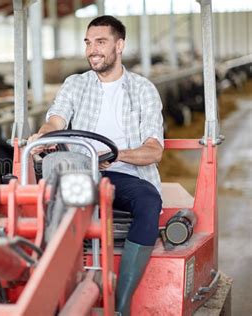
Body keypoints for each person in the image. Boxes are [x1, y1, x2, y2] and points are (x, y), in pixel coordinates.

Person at [28, 15, 163, 315]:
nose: (92, 50)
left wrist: (116, 156)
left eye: (100, 42)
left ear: (120, 45)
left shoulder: (143, 90)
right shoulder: (75, 84)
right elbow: (56, 119)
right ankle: (49, 289)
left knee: (149, 201)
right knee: (42, 193)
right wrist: (46, 134)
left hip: (122, 174)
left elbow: (154, 151)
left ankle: (122, 303)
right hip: (79, 172)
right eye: (88, 43)